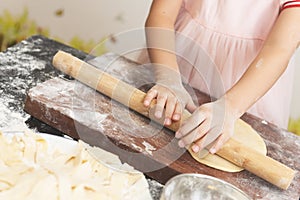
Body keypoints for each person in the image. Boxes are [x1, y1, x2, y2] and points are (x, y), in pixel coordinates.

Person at [142, 0, 300, 154]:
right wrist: (168, 77)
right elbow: (162, 15)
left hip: (247, 92)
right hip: (172, 62)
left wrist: (229, 107)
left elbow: (279, 49)